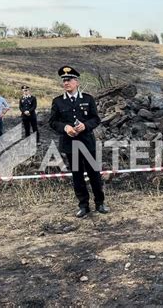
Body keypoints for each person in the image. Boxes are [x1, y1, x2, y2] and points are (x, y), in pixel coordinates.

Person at [49, 65, 108, 218]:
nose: (66, 83)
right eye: (64, 80)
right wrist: (65, 127)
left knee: (94, 174)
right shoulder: (58, 102)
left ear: (77, 82)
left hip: (87, 143)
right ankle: (83, 205)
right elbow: (52, 122)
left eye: (69, 80)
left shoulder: (87, 99)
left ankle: (100, 203)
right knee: (77, 175)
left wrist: (85, 125)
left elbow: (96, 119)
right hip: (71, 145)